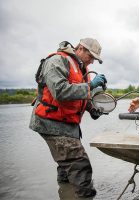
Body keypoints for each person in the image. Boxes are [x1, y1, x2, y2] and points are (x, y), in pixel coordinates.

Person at [29, 38, 107, 198]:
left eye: (94, 59)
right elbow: (60, 91)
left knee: (66, 167)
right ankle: (85, 197)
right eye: (91, 57)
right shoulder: (57, 61)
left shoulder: (82, 69)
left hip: (67, 125)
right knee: (79, 164)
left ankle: (66, 193)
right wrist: (90, 86)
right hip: (51, 122)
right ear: (81, 49)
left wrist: (92, 109)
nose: (92, 62)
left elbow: (81, 96)